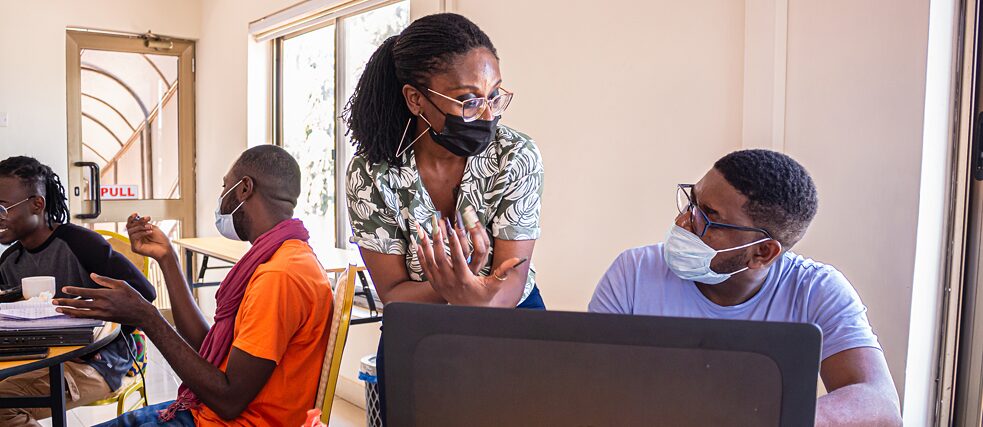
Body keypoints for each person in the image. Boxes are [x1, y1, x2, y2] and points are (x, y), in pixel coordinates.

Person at [589, 149, 902, 426]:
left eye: (708, 217)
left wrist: (766, 418)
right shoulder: (634, 272)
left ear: (762, 252)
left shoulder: (815, 290)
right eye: (691, 203)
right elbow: (589, 382)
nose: (682, 222)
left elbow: (881, 405)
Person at [344, 13, 545, 424]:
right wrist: (456, 287)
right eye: (468, 100)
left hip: (513, 317)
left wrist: (471, 295)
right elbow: (393, 294)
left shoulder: (516, 156)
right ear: (416, 99)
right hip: (420, 328)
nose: (487, 115)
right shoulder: (372, 174)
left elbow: (512, 282)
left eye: (494, 96)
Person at [55, 145, 334, 426]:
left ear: (244, 188)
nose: (221, 197)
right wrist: (168, 260)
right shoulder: (285, 256)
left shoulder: (280, 275)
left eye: (224, 186)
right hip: (206, 413)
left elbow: (228, 400)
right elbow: (208, 348)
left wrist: (147, 317)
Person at [0, 156, 156, 427]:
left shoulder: (81, 244)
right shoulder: (9, 261)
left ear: (37, 204)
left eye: (2, 208)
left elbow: (144, 295)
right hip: (39, 360)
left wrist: (101, 341)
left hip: (98, 362)